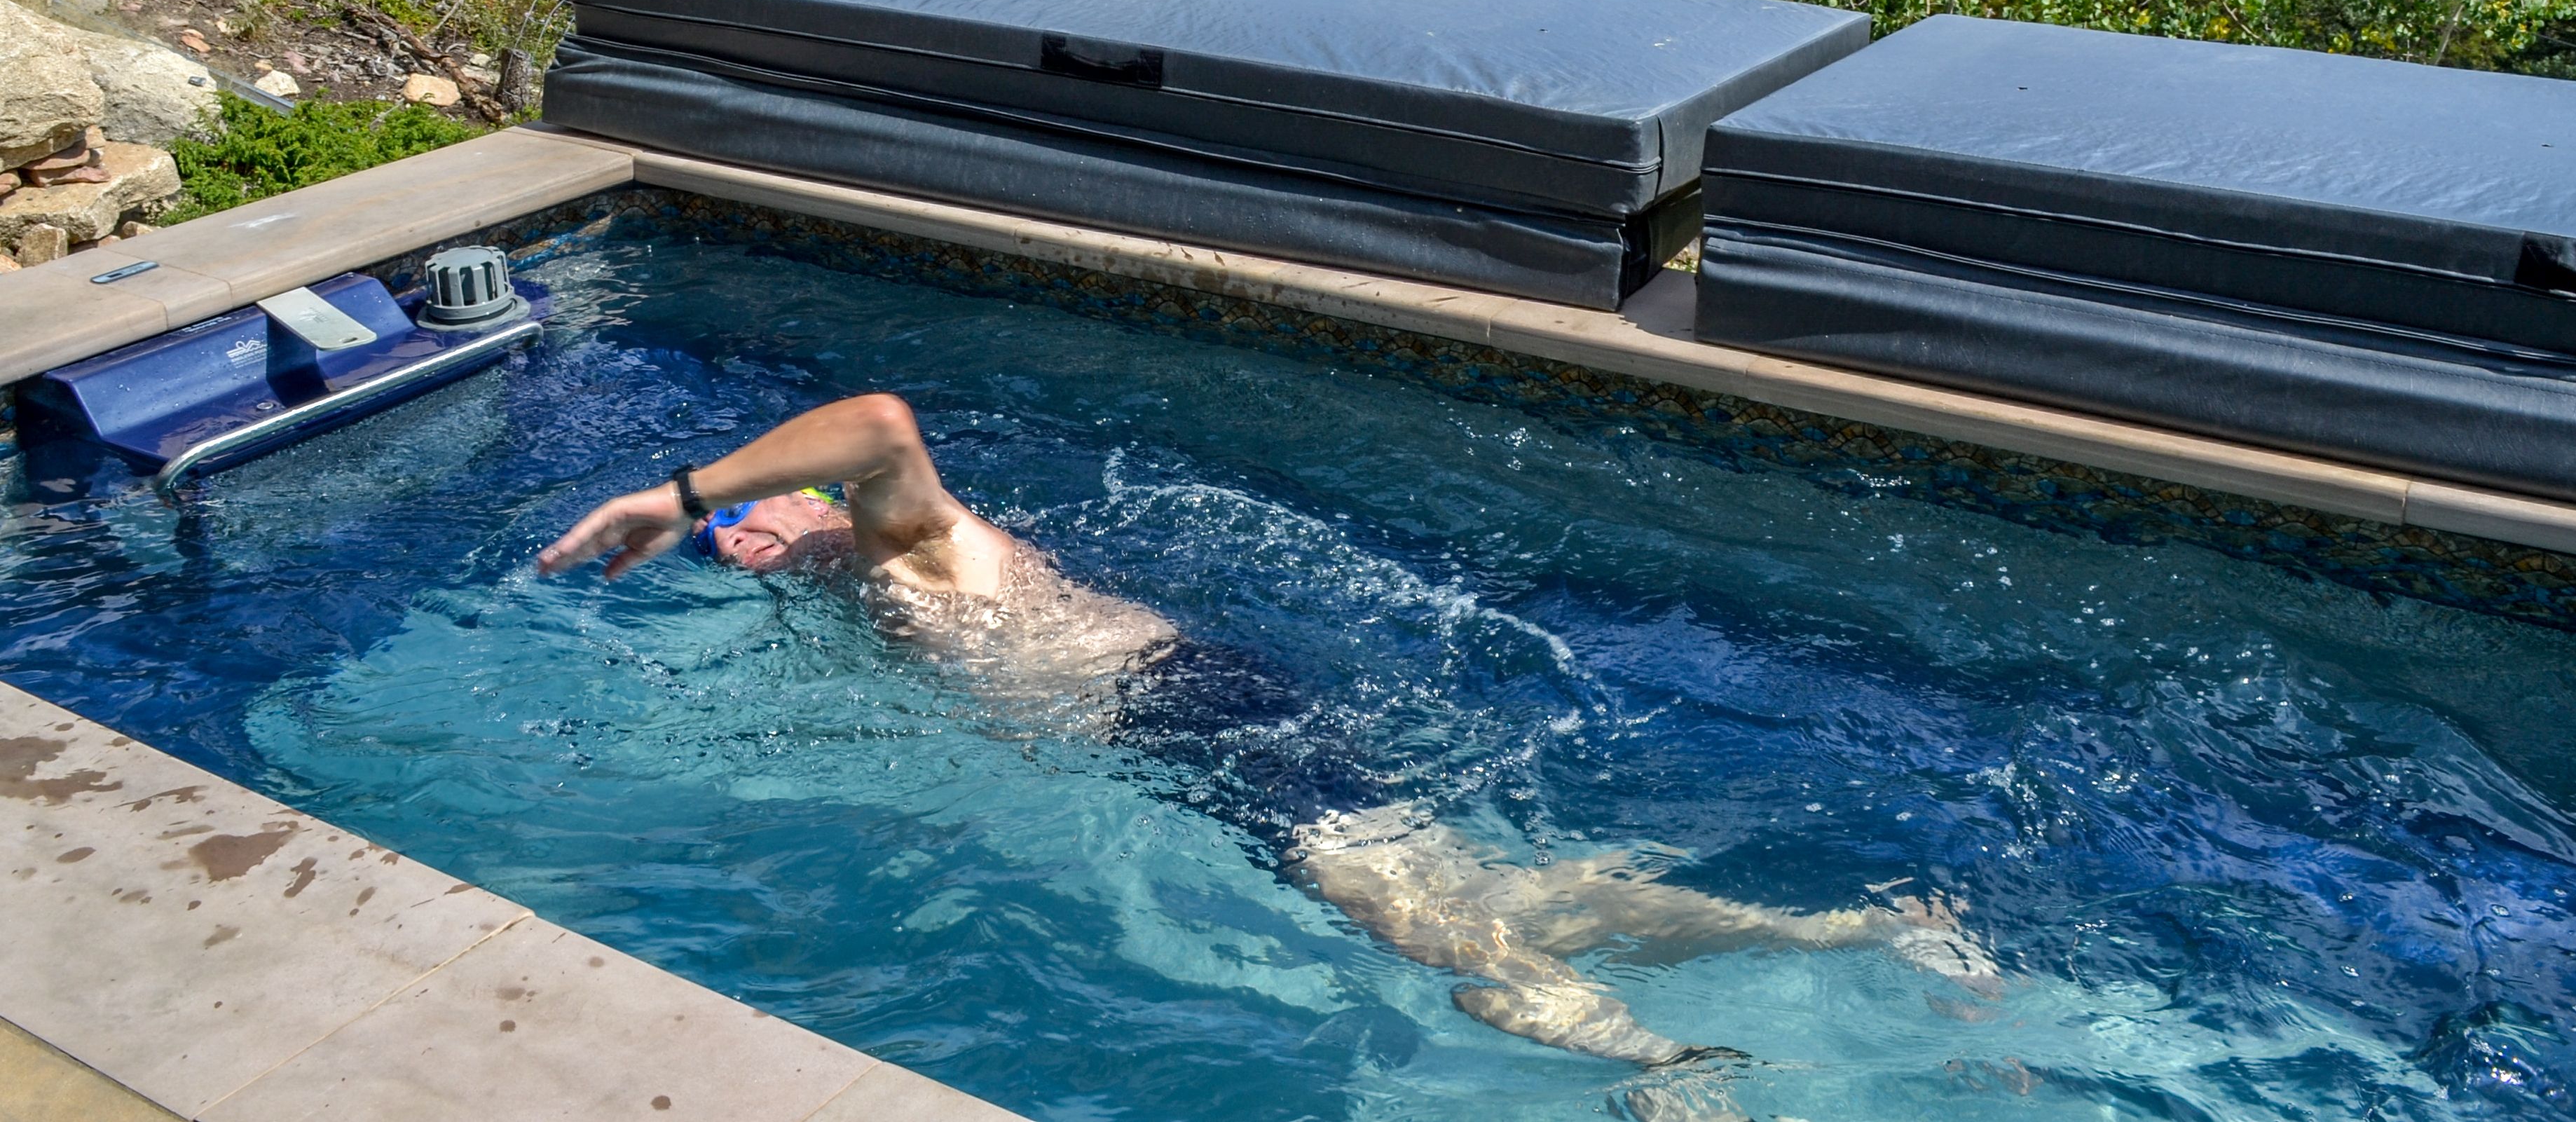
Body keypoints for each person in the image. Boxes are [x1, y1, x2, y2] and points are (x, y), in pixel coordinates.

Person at [537, 393, 1999, 1070]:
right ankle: (1850, 934)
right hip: (1182, 716)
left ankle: (1667, 1068)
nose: (745, 533)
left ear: (803, 494)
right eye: (726, 532)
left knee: (1440, 941)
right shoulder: (852, 586)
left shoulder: (910, 540)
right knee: (1485, 897)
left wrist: (679, 491)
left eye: (756, 509)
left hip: (1180, 710)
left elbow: (874, 415)